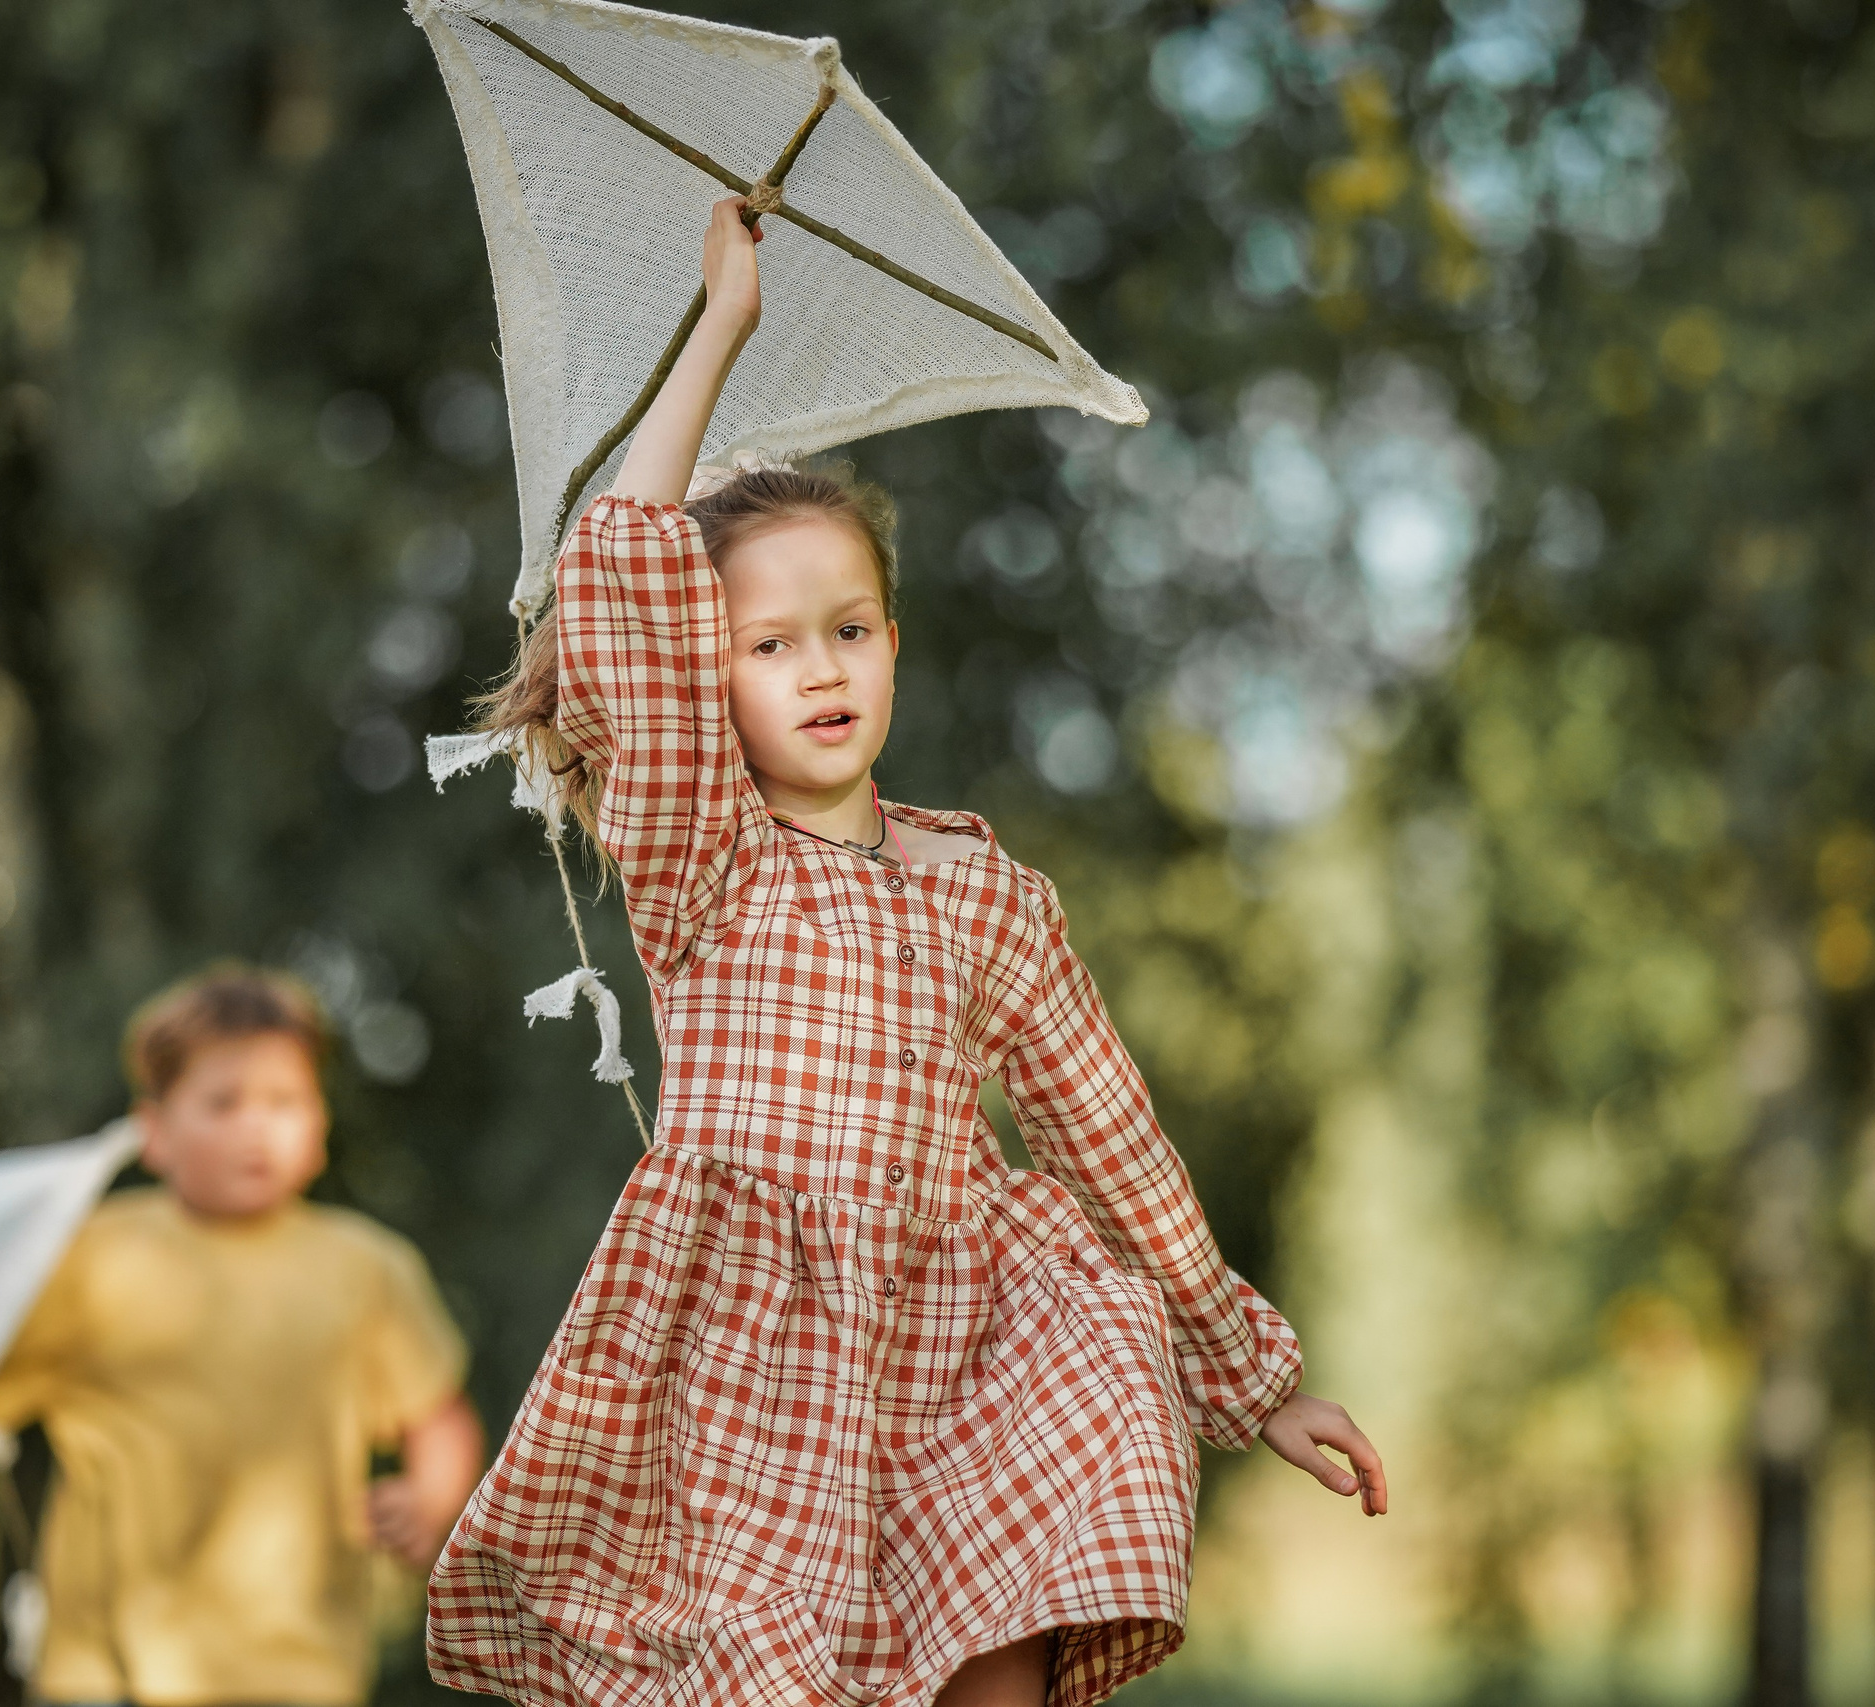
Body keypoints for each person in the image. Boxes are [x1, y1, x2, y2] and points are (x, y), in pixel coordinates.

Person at [427, 197, 1387, 1707]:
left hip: (965, 1337)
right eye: (769, 643)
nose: (819, 667)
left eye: (851, 627)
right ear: (712, 678)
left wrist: (1257, 1379)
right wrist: (717, 332)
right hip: (761, 1349)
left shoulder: (989, 890)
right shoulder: (704, 851)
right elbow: (620, 581)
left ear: (895, 639)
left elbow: (1111, 1139)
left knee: (994, 1647)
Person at [0, 965, 483, 1707]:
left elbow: (436, 1412)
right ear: (154, 1133)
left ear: (320, 1127)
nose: (257, 1125)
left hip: (298, 1664)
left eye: (285, 1101)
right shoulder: (88, 1257)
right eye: (223, 1102)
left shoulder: (366, 1268)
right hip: (102, 1667)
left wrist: (434, 1492)